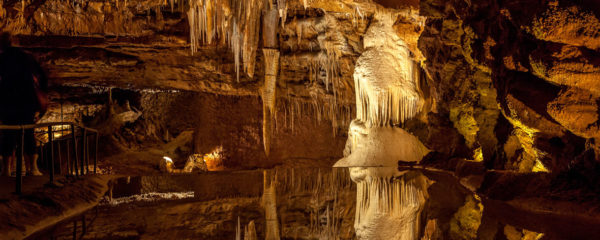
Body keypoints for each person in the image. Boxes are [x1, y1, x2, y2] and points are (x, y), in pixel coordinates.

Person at [0, 32, 48, 176]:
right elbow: (43, 77)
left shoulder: (1, 59)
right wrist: (41, 92)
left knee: (8, 134)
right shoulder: (27, 57)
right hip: (27, 101)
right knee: (28, 133)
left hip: (8, 102)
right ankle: (32, 168)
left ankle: (6, 169)